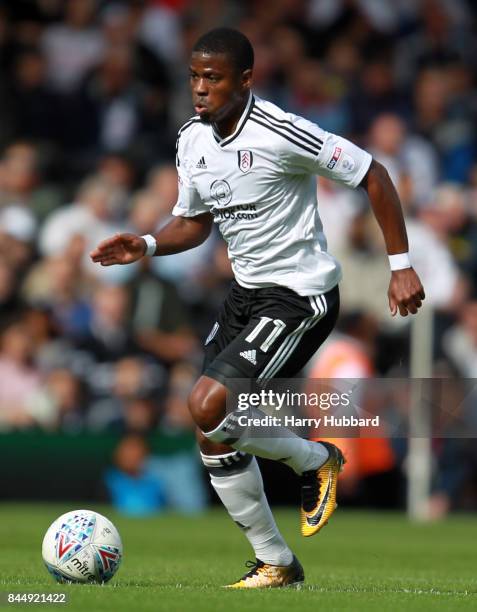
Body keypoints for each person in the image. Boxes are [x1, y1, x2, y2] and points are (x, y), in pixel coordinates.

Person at [90, 28, 425, 588]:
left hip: (301, 295)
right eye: (195, 76)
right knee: (212, 431)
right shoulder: (191, 139)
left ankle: (314, 462)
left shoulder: (281, 131)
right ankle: (277, 561)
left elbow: (373, 173)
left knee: (205, 403)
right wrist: (146, 244)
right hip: (245, 296)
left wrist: (401, 265)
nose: (200, 89)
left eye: (213, 78)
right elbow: (194, 222)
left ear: (245, 80)